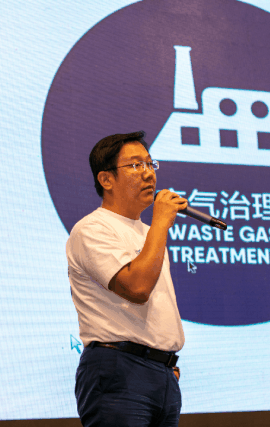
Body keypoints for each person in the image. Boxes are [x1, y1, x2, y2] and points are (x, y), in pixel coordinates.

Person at [66, 131, 188, 427]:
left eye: (150, 164)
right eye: (135, 165)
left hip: (162, 375)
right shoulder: (92, 229)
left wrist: (164, 366)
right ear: (106, 179)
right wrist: (161, 221)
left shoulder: (149, 233)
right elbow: (137, 287)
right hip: (119, 371)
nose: (148, 173)